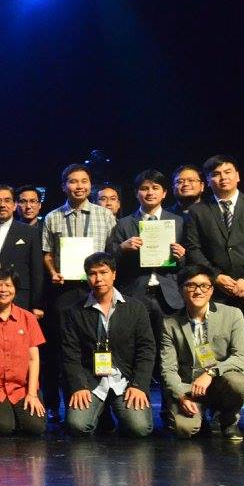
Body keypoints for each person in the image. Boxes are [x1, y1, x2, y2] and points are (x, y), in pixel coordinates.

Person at [182, 154, 244, 433]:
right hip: (216, 294)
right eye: (216, 174)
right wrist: (216, 277)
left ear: (237, 175)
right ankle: (217, 410)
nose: (222, 178)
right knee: (210, 354)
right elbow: (194, 249)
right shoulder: (198, 211)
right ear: (208, 181)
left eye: (227, 172)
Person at [40, 163, 118, 418]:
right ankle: (59, 405)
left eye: (84, 181)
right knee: (63, 348)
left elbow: (112, 252)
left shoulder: (105, 215)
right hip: (65, 290)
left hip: (97, 289)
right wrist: (53, 271)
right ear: (64, 186)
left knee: (98, 345)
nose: (79, 186)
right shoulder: (52, 217)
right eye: (73, 181)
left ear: (90, 185)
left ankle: (102, 409)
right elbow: (47, 253)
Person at [61, 252, 155, 438]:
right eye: (92, 274)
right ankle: (101, 412)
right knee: (77, 425)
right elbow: (70, 354)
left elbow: (146, 350)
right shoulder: (74, 312)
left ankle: (115, 412)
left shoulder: (135, 308)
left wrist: (139, 385)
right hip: (91, 381)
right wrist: (79, 385)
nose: (98, 279)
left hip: (124, 380)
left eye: (103, 272)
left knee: (140, 428)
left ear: (114, 274)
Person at [159, 264, 244, 440]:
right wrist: (181, 396)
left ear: (211, 290)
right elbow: (168, 369)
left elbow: (243, 356)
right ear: (181, 290)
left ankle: (228, 420)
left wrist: (210, 373)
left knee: (237, 383)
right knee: (184, 429)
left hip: (221, 381)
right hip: (189, 387)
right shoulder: (170, 323)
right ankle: (201, 417)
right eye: (191, 285)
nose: (198, 291)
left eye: (204, 286)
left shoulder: (233, 315)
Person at [108, 170, 187, 367]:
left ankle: (169, 387)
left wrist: (182, 256)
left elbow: (188, 263)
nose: (150, 192)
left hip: (168, 295)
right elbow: (110, 261)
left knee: (168, 348)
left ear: (164, 193)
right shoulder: (124, 223)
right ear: (137, 193)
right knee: (136, 346)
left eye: (155, 188)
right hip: (136, 293)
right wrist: (122, 248)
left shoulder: (178, 222)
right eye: (144, 188)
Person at [0, 269, 46, 436]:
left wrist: (32, 394)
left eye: (8, 285)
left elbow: (34, 359)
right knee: (3, 427)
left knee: (35, 427)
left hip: (21, 388)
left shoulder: (28, 318)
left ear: (16, 289)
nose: (3, 289)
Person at [0, 184, 44, 314]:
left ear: (14, 205)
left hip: (20, 299)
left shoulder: (29, 232)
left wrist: (36, 304)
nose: (2, 205)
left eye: (7, 200)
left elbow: (37, 271)